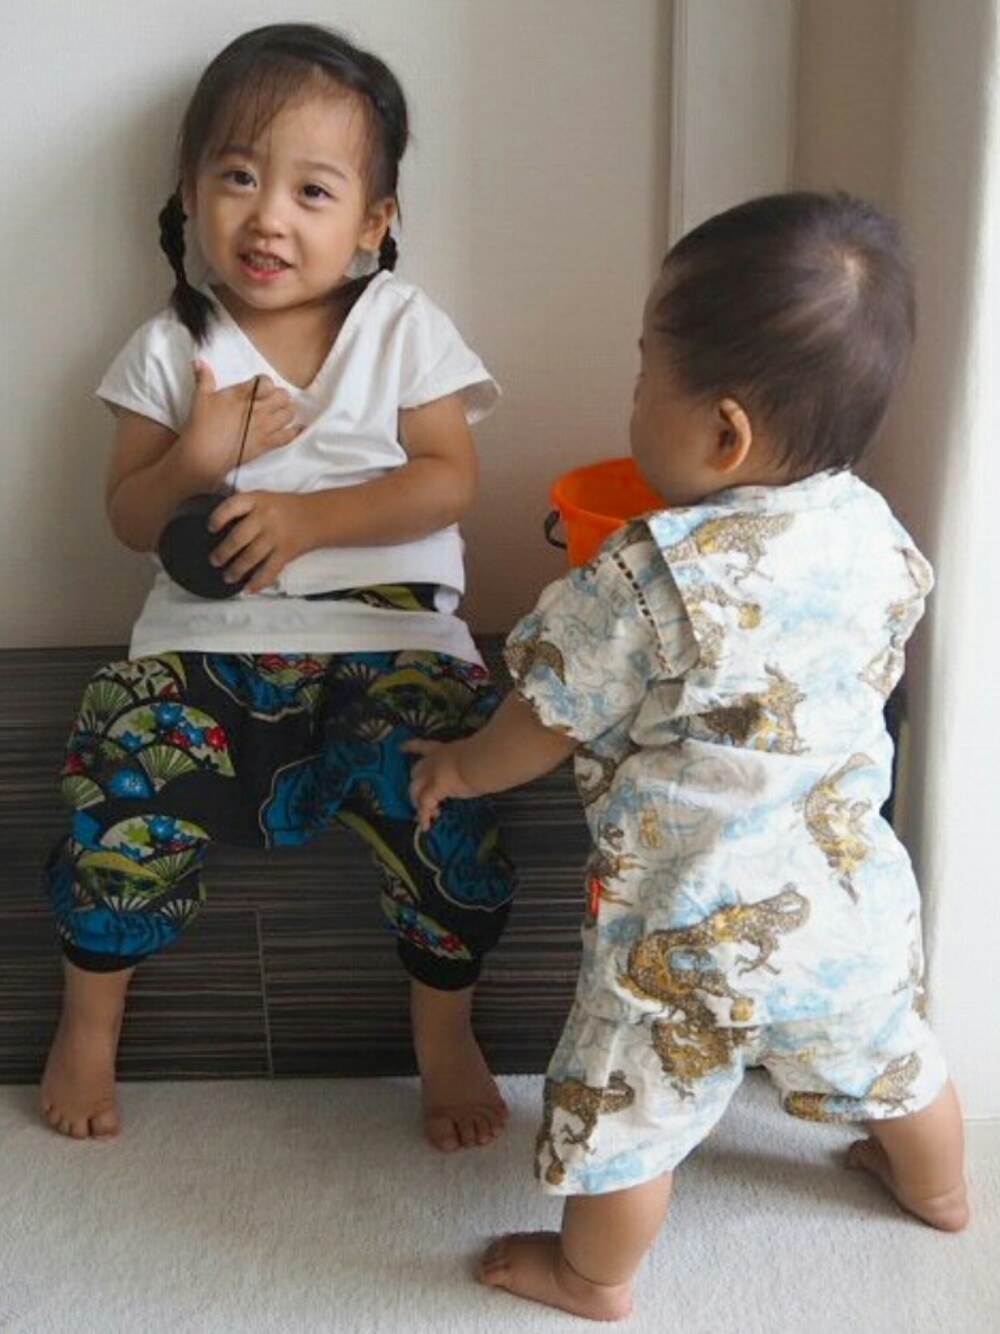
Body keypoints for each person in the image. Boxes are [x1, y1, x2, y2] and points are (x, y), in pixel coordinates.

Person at [407, 191, 969, 1321]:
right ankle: (940, 1187)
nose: (630, 397)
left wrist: (461, 766)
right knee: (891, 1051)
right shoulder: (875, 531)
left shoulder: (648, 573)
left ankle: (591, 1275)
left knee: (630, 1110)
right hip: (848, 904)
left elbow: (547, 714)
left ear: (723, 435)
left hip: (684, 935)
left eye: (641, 373)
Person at [40, 23, 514, 1154]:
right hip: (205, 638)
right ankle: (88, 1020)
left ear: (373, 222)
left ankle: (444, 1030)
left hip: (391, 638)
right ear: (190, 193)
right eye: (239, 177)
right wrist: (196, 460)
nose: (269, 218)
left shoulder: (400, 326)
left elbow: (449, 478)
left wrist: (308, 520)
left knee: (449, 798)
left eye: (313, 190)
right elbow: (127, 517)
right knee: (118, 771)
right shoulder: (174, 346)